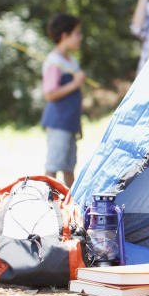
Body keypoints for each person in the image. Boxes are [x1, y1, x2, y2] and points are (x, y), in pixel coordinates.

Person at [41, 13, 85, 187]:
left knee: (69, 166)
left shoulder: (72, 61)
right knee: (54, 164)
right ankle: (46, 201)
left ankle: (70, 204)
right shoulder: (54, 62)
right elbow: (49, 94)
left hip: (70, 122)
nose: (80, 37)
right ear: (64, 36)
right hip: (59, 122)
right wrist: (75, 84)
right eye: (77, 33)